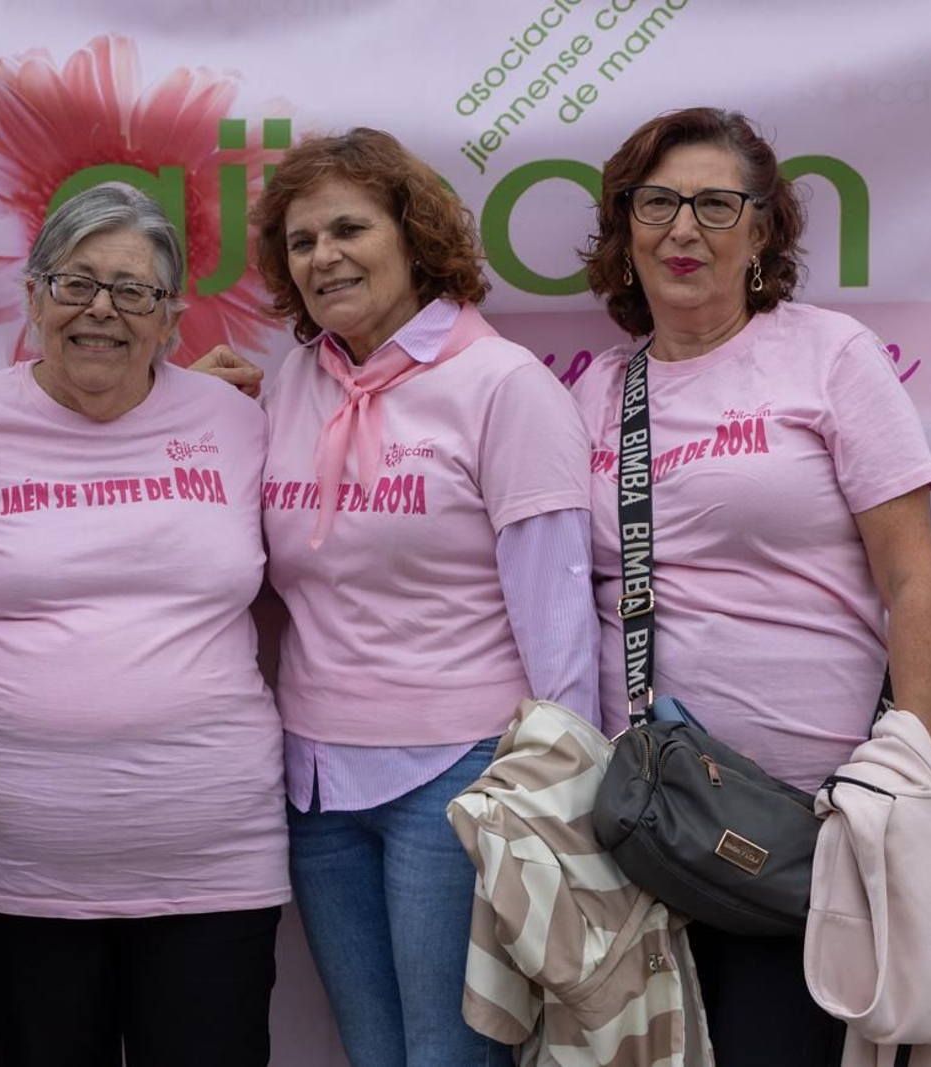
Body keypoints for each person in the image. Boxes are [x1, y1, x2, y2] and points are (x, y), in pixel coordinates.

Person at [570, 106, 931, 1067]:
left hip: (812, 832)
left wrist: (906, 783)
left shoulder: (829, 354)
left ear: (763, 231)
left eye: (714, 203)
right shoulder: (595, 394)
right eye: (655, 203)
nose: (682, 229)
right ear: (624, 229)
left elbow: (914, 577)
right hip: (643, 830)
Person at [0, 183, 289, 1067]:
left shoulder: (235, 423)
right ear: (34, 295)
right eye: (76, 284)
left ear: (171, 318)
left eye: (134, 292)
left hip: (214, 864)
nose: (101, 312)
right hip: (11, 871)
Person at [250, 127, 599, 1067]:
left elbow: (556, 605)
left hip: (459, 779)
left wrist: (565, 802)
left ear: (414, 234)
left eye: (349, 229)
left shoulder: (503, 385)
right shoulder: (293, 382)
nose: (323, 256)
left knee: (448, 1057)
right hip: (316, 782)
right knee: (374, 1051)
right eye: (300, 240)